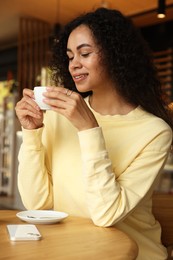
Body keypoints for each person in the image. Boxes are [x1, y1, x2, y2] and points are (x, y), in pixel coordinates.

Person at [15, 7, 172, 260]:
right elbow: (37, 204)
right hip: (74, 251)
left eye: (85, 53)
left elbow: (106, 214)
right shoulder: (58, 116)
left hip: (134, 254)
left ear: (115, 54)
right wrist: (32, 132)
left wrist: (89, 129)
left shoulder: (154, 132)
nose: (74, 64)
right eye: (69, 56)